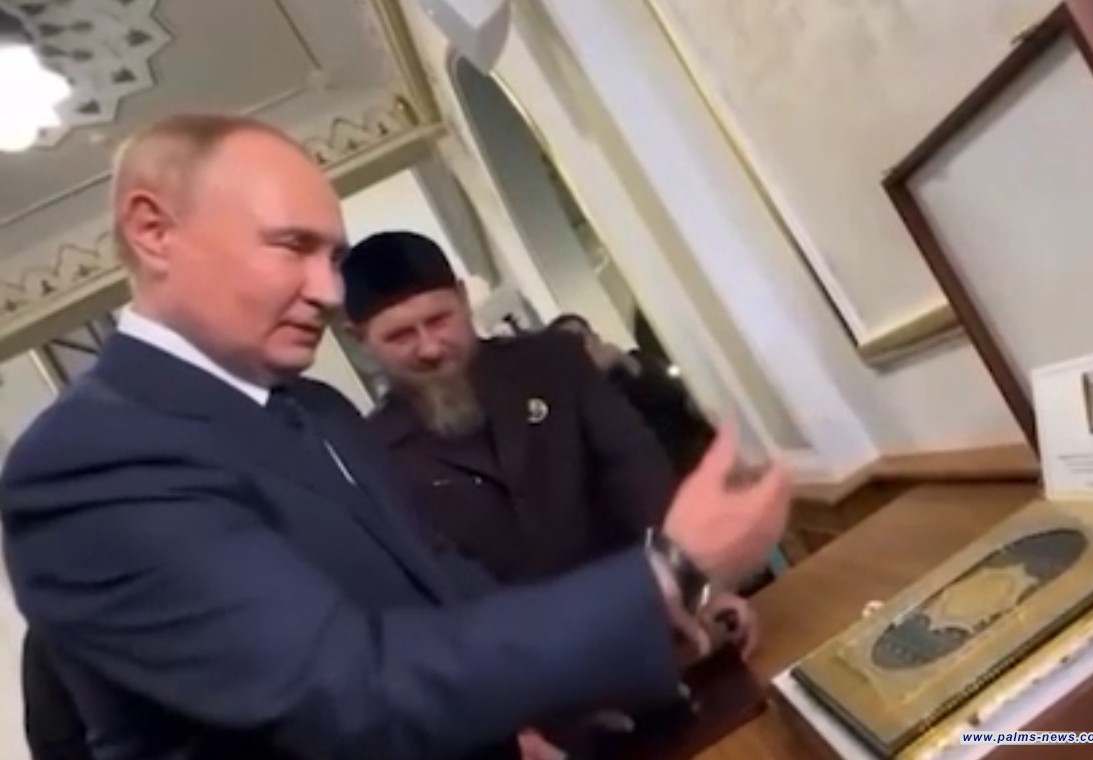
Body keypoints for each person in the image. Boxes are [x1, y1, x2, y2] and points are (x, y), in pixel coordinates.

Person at [1, 113, 790, 760]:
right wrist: (662, 576)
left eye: (334, 257)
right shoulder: (86, 466)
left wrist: (614, 658)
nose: (328, 291)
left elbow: (442, 583)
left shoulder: (316, 409)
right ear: (154, 231)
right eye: (291, 246)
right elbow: (345, 695)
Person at [347, 231, 678, 585]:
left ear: (462, 298)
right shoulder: (374, 453)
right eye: (401, 336)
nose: (430, 348)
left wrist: (677, 575)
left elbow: (636, 469)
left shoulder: (554, 363)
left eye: (439, 320)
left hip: (646, 591)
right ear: (360, 340)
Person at [549, 314, 716, 478]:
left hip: (702, 452)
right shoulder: (577, 408)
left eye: (580, 338)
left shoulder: (635, 362)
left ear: (595, 338)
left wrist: (624, 361)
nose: (580, 349)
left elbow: (674, 395)